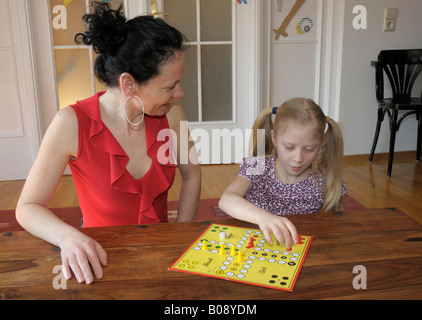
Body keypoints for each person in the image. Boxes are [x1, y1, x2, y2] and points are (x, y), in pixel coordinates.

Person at [16, 2, 201, 285]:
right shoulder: (70, 123)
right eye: (168, 87)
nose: (180, 93)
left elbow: (192, 174)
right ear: (129, 84)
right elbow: (27, 207)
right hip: (97, 260)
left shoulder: (172, 114)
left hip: (160, 256)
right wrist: (68, 237)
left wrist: (181, 235)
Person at [219, 98, 346, 249]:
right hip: (258, 247)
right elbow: (226, 199)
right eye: (289, 147)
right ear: (274, 138)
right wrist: (264, 218)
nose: (298, 159)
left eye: (309, 149)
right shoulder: (258, 166)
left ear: (320, 145)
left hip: (300, 250)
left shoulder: (324, 178)